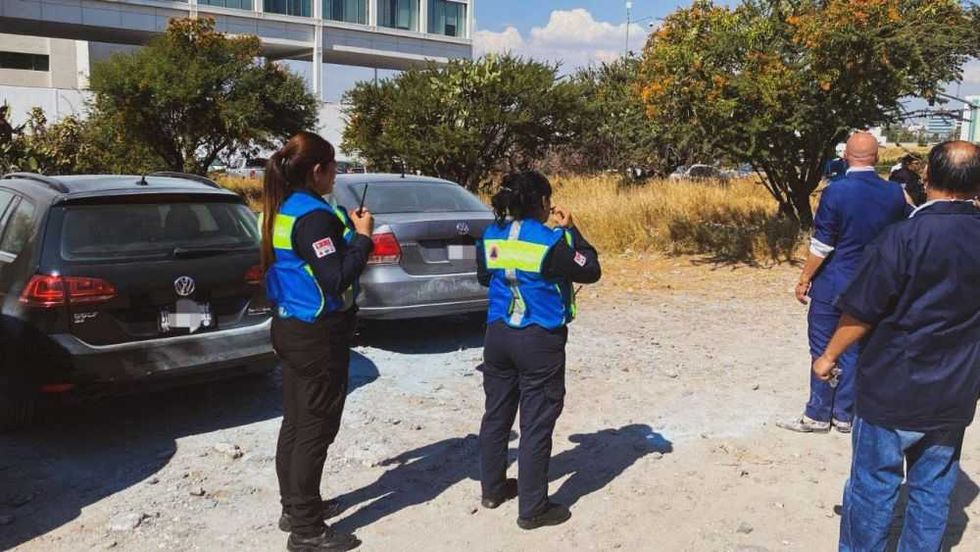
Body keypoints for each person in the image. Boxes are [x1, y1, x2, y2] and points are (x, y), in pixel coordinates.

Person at [813, 141, 980, 551]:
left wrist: (829, 355)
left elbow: (862, 310)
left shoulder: (902, 238)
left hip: (893, 388)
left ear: (926, 177)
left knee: (873, 487)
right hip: (955, 389)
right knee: (933, 489)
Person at [261, 131, 374, 552]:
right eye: (333, 167)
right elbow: (336, 276)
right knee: (315, 427)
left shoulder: (285, 208)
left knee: (296, 420)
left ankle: (296, 508)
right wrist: (362, 238)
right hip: (316, 335)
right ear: (317, 170)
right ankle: (307, 530)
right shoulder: (312, 217)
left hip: (292, 325)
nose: (336, 175)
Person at [476, 171, 601, 530]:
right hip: (538, 339)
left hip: (498, 334)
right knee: (536, 422)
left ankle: (493, 489)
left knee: (496, 414)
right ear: (543, 202)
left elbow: (484, 276)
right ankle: (533, 509)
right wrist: (572, 230)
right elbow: (590, 269)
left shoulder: (490, 234)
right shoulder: (550, 242)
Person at [778, 132, 909, 435]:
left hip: (834, 281)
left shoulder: (835, 191)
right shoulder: (895, 193)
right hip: (874, 283)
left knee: (823, 344)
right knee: (855, 345)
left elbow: (822, 245)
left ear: (846, 156)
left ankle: (818, 413)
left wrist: (804, 278)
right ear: (877, 157)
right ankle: (845, 414)